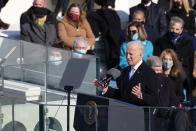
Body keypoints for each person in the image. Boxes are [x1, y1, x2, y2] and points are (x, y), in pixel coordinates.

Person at [94, 41, 159, 106]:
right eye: (126, 54)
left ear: (140, 54)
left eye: (131, 54)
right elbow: (122, 95)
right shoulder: (125, 71)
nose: (127, 57)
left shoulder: (149, 73)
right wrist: (105, 89)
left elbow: (155, 101)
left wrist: (140, 95)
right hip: (123, 111)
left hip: (139, 113)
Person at [154, 16, 194, 99]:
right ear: (169, 28)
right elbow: (158, 57)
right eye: (172, 29)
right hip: (165, 70)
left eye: (177, 29)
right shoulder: (160, 41)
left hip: (182, 71)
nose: (174, 31)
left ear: (181, 30)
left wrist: (176, 62)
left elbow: (190, 61)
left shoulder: (188, 43)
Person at [146, 56, 187, 131]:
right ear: (149, 70)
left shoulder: (166, 81)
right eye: (156, 70)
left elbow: (173, 98)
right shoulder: (145, 81)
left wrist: (174, 106)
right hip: (152, 112)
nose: (158, 73)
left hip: (166, 111)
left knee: (180, 112)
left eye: (160, 70)